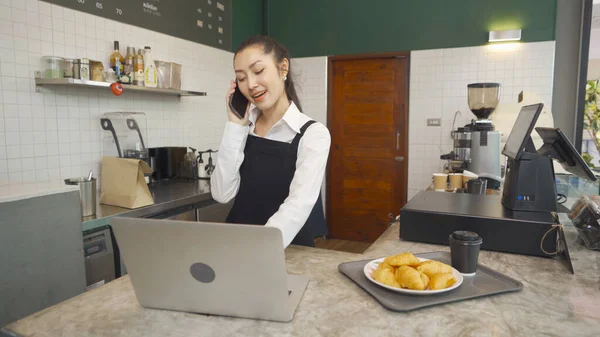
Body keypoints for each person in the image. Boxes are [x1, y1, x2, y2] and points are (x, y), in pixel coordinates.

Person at [211, 35, 331, 248]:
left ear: (283, 67)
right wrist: (235, 125)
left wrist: (261, 249)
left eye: (258, 71)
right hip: (236, 245)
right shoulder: (242, 129)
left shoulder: (314, 134)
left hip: (286, 251)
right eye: (241, 78)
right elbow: (222, 194)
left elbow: (297, 206)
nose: (251, 85)